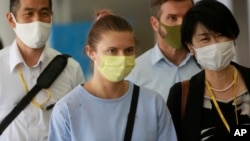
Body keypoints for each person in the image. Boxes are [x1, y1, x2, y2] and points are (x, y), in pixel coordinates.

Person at [48, 9, 177, 141]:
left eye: (128, 50)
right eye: (112, 51)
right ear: (91, 52)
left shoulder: (153, 103)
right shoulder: (68, 109)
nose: (122, 57)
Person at [0, 0, 85, 140]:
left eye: (44, 13)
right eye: (29, 13)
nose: (37, 20)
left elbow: (81, 126)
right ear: (11, 19)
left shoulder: (71, 69)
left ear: (51, 16)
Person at [167, 0, 250, 140]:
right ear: (190, 47)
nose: (215, 44)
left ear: (233, 38)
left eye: (221, 35)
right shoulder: (181, 95)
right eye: (205, 39)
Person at [126, 0, 201, 101]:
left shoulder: (208, 63)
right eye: (172, 18)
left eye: (187, 17)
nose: (182, 23)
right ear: (155, 24)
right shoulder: (135, 74)